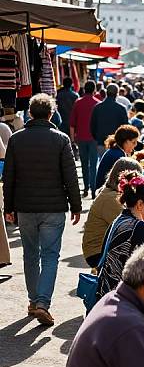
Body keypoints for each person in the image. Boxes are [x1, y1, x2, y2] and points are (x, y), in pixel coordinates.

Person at [2, 94, 81, 326]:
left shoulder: (16, 139)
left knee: (30, 254)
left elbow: (9, 177)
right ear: (50, 114)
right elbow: (71, 176)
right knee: (49, 256)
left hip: (25, 208)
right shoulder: (61, 139)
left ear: (29, 113)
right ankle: (42, 303)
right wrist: (76, 206)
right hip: (54, 208)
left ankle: (34, 300)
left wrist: (9, 207)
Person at [82, 158, 142, 268]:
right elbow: (131, 228)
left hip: (101, 249)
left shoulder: (111, 193)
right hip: (97, 253)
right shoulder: (112, 199)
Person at [70, 80, 99, 198]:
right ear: (94, 90)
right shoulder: (97, 103)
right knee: (93, 164)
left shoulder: (78, 102)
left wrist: (72, 140)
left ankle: (86, 188)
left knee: (84, 164)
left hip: (81, 138)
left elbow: (72, 123)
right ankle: (93, 189)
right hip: (94, 138)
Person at [95, 124, 140, 191]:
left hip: (106, 190)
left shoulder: (116, 150)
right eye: (133, 142)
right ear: (126, 142)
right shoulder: (118, 155)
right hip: (107, 193)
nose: (135, 145)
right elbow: (127, 180)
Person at [90, 83, 129, 160]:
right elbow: (125, 127)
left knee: (103, 164)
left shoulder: (97, 107)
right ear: (117, 94)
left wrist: (97, 137)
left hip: (101, 141)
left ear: (106, 93)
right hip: (116, 143)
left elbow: (92, 126)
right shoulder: (121, 108)